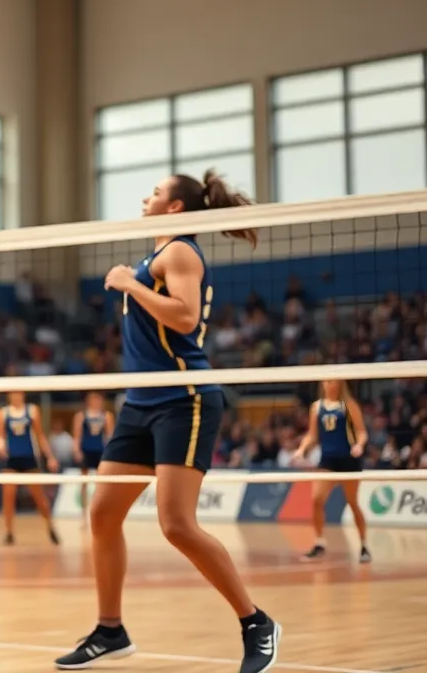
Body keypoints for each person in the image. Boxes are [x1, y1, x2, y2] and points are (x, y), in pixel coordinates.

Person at [55, 170, 281, 673]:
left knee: (177, 525)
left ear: (176, 208)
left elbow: (182, 318)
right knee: (103, 514)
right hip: (141, 403)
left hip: (185, 400)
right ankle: (110, 630)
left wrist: (130, 285)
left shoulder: (178, 252)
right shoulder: (155, 256)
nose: (146, 198)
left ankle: (255, 621)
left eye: (156, 193)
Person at [294, 380, 370, 563]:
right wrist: (302, 449)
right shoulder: (316, 407)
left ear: (340, 383)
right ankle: (319, 543)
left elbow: (362, 432)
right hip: (327, 460)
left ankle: (364, 545)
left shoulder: (348, 405)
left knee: (352, 502)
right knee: (316, 499)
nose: (330, 384)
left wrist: (359, 446)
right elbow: (312, 435)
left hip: (349, 459)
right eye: (327, 381)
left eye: (333, 381)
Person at [0, 391, 59, 546]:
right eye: (13, 394)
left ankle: (50, 527)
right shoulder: (3, 413)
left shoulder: (32, 410)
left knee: (39, 498)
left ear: (23, 395)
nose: (16, 397)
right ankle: (9, 532)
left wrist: (50, 456)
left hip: (29, 457)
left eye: (19, 394)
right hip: (11, 459)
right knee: (8, 497)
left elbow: (40, 436)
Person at [72, 391, 114, 528]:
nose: (97, 402)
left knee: (101, 483)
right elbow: (77, 436)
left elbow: (110, 436)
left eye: (99, 400)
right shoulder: (81, 416)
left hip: (101, 452)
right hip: (86, 452)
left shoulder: (106, 416)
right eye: (94, 400)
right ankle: (83, 515)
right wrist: (77, 450)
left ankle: (100, 514)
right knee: (84, 483)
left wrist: (111, 454)